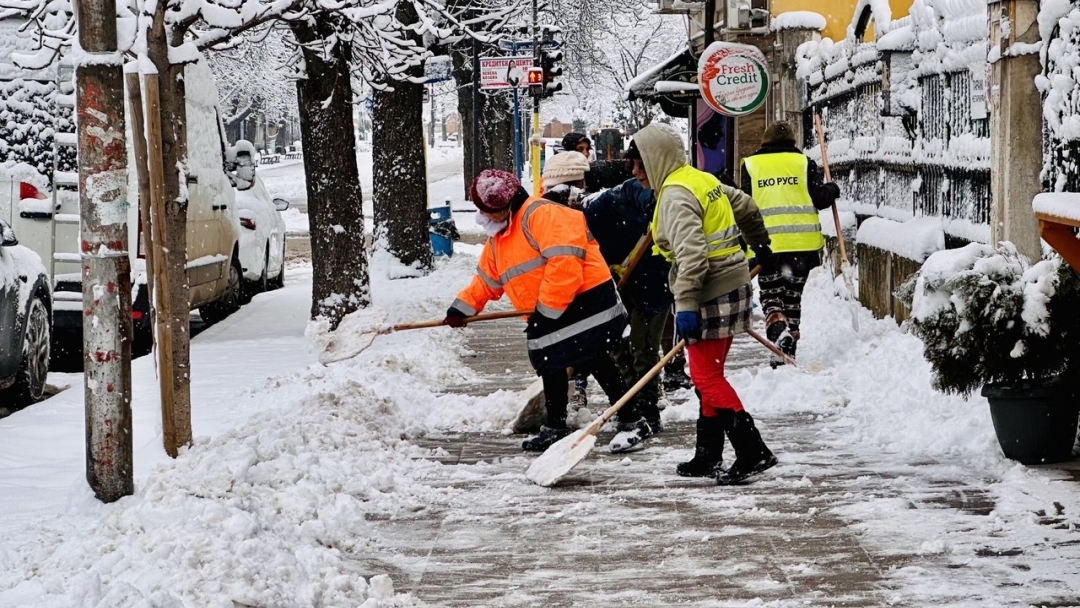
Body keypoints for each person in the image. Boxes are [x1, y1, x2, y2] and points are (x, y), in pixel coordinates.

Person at [445, 169, 656, 453]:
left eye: (486, 211)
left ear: (505, 205)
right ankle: (557, 426)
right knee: (552, 360)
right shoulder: (501, 237)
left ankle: (632, 420)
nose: (482, 217)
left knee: (592, 356)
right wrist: (461, 308)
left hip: (587, 299)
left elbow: (565, 265)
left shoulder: (541, 215)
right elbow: (486, 281)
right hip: (556, 306)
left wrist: (546, 312)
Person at [628, 122, 778, 485]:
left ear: (657, 159)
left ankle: (752, 451)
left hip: (710, 292)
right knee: (708, 374)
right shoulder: (699, 179)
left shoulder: (676, 196)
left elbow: (692, 256)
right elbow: (745, 205)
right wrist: (760, 242)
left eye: (640, 164)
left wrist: (687, 304)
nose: (635, 172)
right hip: (733, 285)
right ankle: (708, 454)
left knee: (706, 377)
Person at [739, 121, 841, 364]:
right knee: (793, 297)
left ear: (765, 141)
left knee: (771, 295)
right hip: (802, 245)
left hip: (767, 245)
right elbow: (820, 199)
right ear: (793, 142)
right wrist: (832, 189)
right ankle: (787, 349)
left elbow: (744, 206)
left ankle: (778, 330)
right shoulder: (804, 163)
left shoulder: (751, 165)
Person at [584, 176, 670, 435]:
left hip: (653, 277)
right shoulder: (574, 236)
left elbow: (635, 190)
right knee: (617, 345)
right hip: (615, 283)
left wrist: (653, 206)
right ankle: (630, 406)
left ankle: (649, 409)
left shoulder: (604, 206)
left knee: (643, 347)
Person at [560, 131, 633, 191]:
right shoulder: (560, 180)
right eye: (580, 149)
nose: (586, 154)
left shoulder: (595, 171)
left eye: (587, 149)